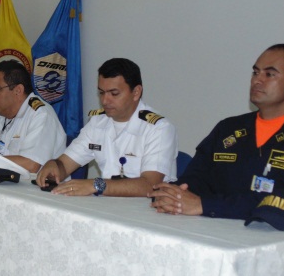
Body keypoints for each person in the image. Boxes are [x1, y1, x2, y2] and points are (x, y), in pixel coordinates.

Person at [150, 44, 284, 219]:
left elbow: (280, 200)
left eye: (269, 74)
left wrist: (205, 205)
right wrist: (175, 194)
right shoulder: (228, 128)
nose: (257, 80)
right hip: (213, 232)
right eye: (255, 72)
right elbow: (196, 177)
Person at [36, 58, 178, 196]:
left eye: (114, 93)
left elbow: (149, 185)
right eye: (101, 93)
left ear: (136, 93)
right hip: (107, 206)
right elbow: (65, 164)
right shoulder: (97, 123)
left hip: (145, 211)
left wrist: (96, 185)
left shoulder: (159, 129)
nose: (105, 100)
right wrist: (54, 165)